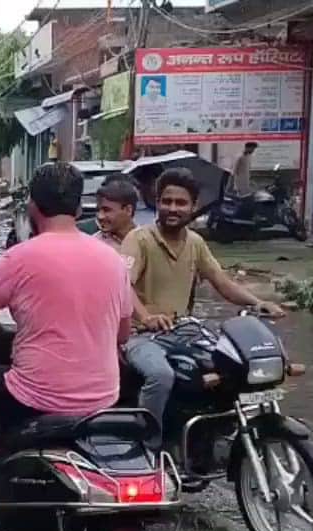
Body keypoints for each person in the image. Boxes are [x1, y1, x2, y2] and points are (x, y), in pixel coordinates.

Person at [0, 162, 133, 514]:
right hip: (104, 397)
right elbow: (122, 333)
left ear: (33, 208)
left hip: (37, 397)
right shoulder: (112, 260)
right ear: (80, 207)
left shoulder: (20, 258)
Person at [119, 169, 285, 442]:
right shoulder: (139, 239)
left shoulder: (195, 242)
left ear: (193, 207)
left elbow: (221, 281)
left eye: (181, 203)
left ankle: (218, 436)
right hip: (142, 336)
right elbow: (122, 285)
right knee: (160, 375)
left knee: (235, 363)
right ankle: (148, 444)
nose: (173, 208)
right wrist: (146, 316)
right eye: (166, 201)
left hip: (185, 331)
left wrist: (260, 303)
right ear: (156, 202)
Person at [94, 178, 140, 251]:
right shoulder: (94, 245)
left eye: (107, 210)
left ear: (128, 210)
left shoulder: (148, 242)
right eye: (98, 210)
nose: (100, 216)